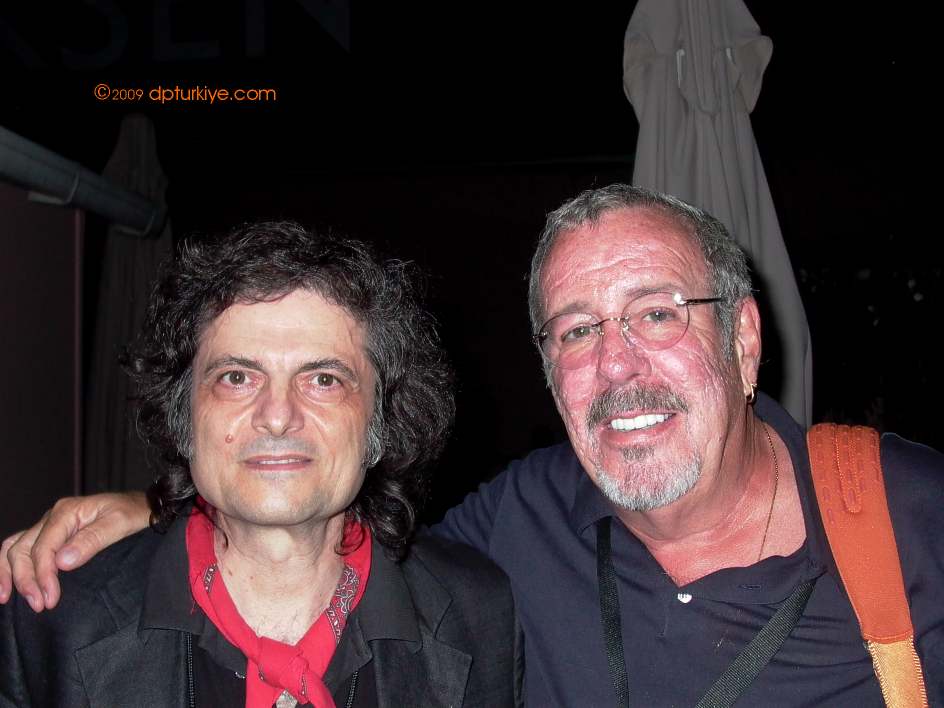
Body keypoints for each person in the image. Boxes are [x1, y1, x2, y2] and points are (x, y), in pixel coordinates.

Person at [4, 185, 942, 705]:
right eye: (577, 330)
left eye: (656, 313)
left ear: (743, 339)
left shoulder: (915, 515)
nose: (617, 364)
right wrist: (156, 510)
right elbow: (310, 514)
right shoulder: (517, 527)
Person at [0, 222, 518, 707]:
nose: (276, 416)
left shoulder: (480, 615)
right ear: (183, 416)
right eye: (236, 377)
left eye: (323, 380)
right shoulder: (51, 620)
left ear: (380, 422)